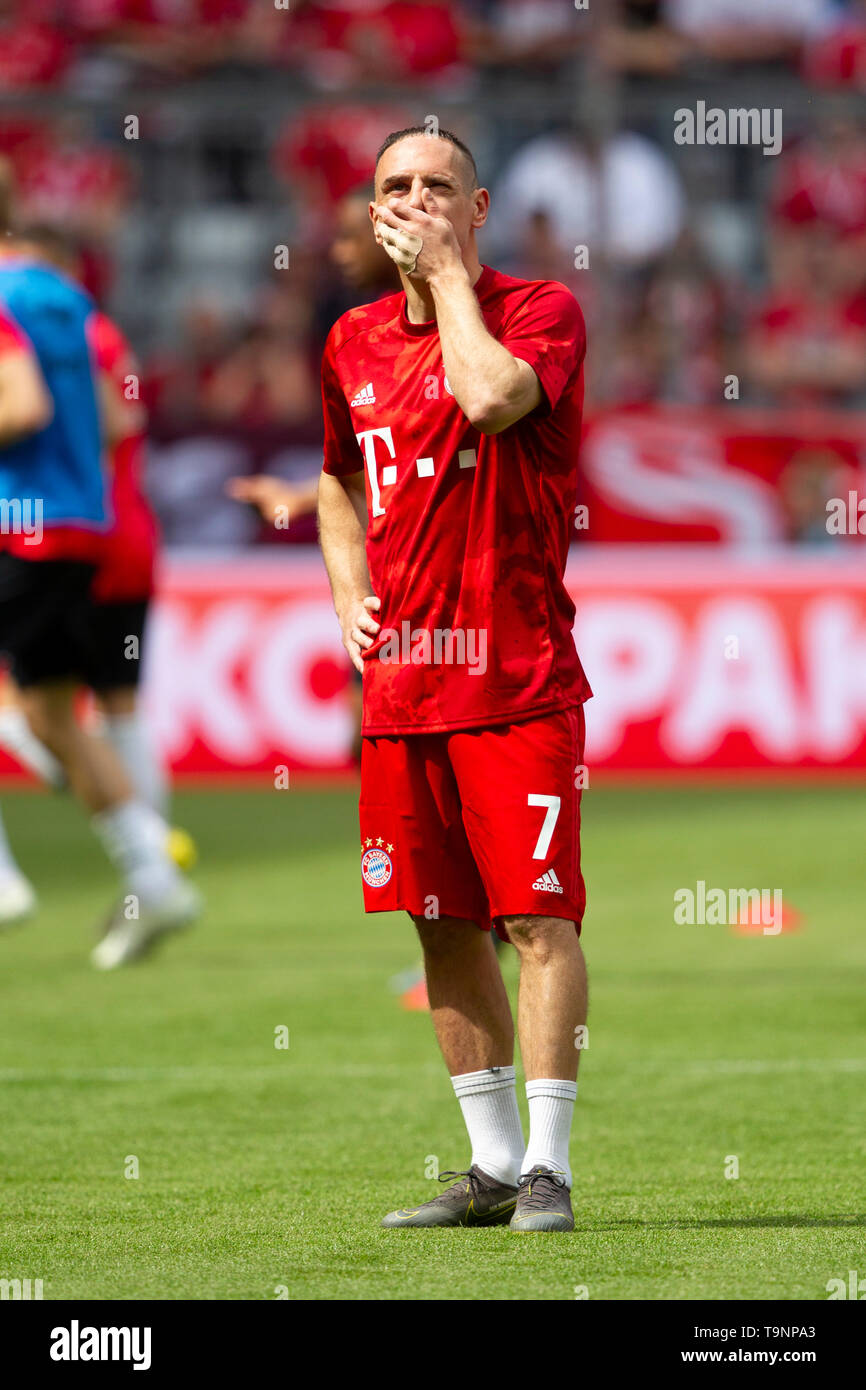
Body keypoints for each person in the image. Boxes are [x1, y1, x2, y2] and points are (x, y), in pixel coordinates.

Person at [317, 127, 592, 1233]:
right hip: (401, 690)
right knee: (438, 924)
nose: (415, 202)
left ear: (477, 209)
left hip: (514, 674)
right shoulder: (347, 338)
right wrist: (346, 591)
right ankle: (487, 1166)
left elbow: (486, 400)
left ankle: (550, 1170)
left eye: (438, 188)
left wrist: (446, 283)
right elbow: (337, 478)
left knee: (533, 919)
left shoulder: (539, 312)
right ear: (368, 206)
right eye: (395, 187)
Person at [0, 234, 201, 967]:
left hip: (39, 522)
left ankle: (24, 875)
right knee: (79, 710)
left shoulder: (18, 307)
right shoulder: (84, 314)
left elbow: (42, 410)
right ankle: (152, 867)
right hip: (102, 527)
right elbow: (121, 418)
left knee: (76, 712)